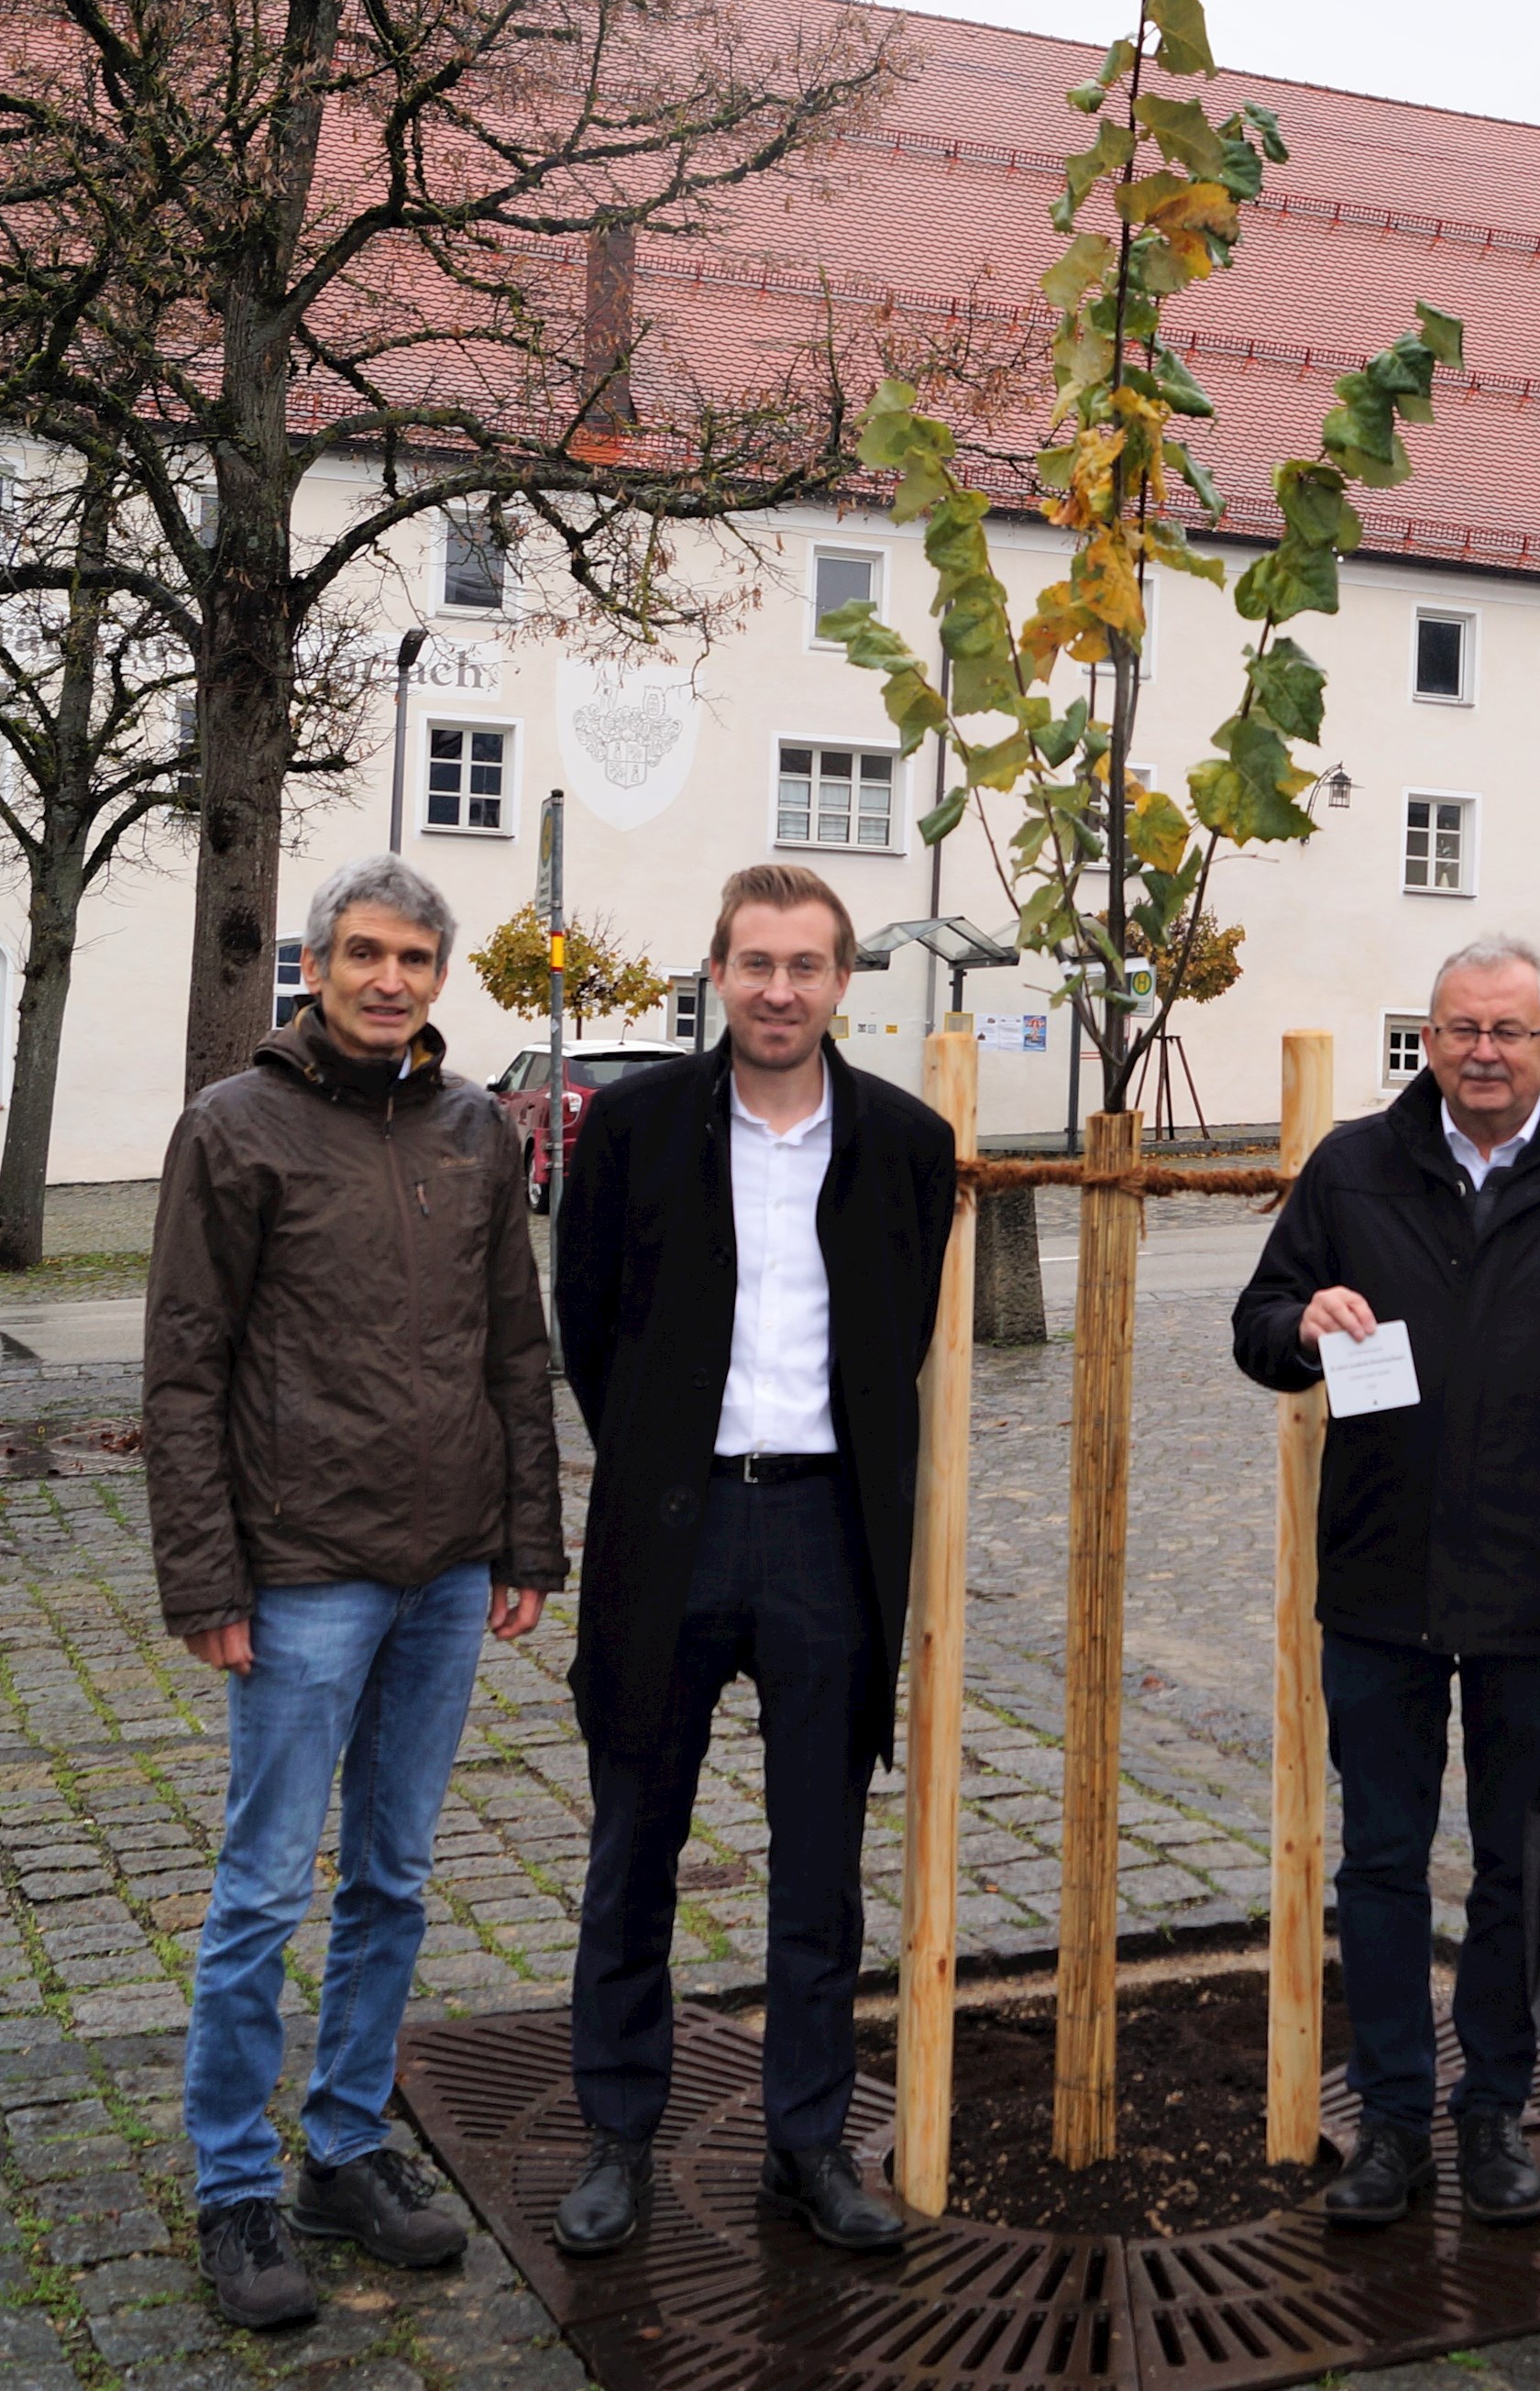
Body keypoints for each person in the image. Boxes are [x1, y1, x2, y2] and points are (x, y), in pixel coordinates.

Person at [145, 854, 564, 2331]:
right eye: (366, 952)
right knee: (261, 1889)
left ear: (443, 979)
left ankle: (343, 2148)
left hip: (448, 1565)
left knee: (392, 1875)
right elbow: (185, 1364)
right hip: (304, 1570)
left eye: (418, 959)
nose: (391, 978)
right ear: (314, 964)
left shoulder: (471, 1126)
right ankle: (234, 2182)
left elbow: (518, 1346)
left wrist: (526, 1541)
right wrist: (206, 1571)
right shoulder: (235, 1127)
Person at [1232, 935, 1540, 2229]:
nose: (1481, 1051)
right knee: (1378, 1860)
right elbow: (1259, 1325)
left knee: (1519, 1864)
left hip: (1539, 1590)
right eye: (1456, 1028)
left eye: (1507, 1029)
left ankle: (1491, 2108)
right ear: (1424, 1039)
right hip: (1378, 1577)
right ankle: (1389, 2119)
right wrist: (1300, 1323)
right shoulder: (1355, 1166)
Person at [547, 865, 957, 2260]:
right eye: (755, 962)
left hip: (827, 1533)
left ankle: (807, 2140)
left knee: (820, 1865)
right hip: (672, 1524)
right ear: (716, 973)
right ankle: (618, 2132)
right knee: (634, 1846)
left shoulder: (908, 1141)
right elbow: (587, 1320)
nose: (779, 989)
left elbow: (896, 1334)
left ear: (845, 981)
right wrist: (667, 1457)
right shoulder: (635, 1127)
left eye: (806, 965)